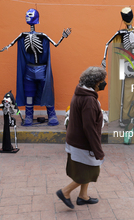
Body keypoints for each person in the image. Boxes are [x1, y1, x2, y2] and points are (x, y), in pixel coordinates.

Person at [56, 66, 107, 209]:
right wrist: (98, 151)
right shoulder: (89, 101)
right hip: (83, 142)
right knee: (91, 171)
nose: (104, 84)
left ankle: (83, 196)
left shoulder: (81, 93)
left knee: (87, 168)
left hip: (76, 140)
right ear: (96, 83)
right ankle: (65, 192)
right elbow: (89, 128)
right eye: (102, 81)